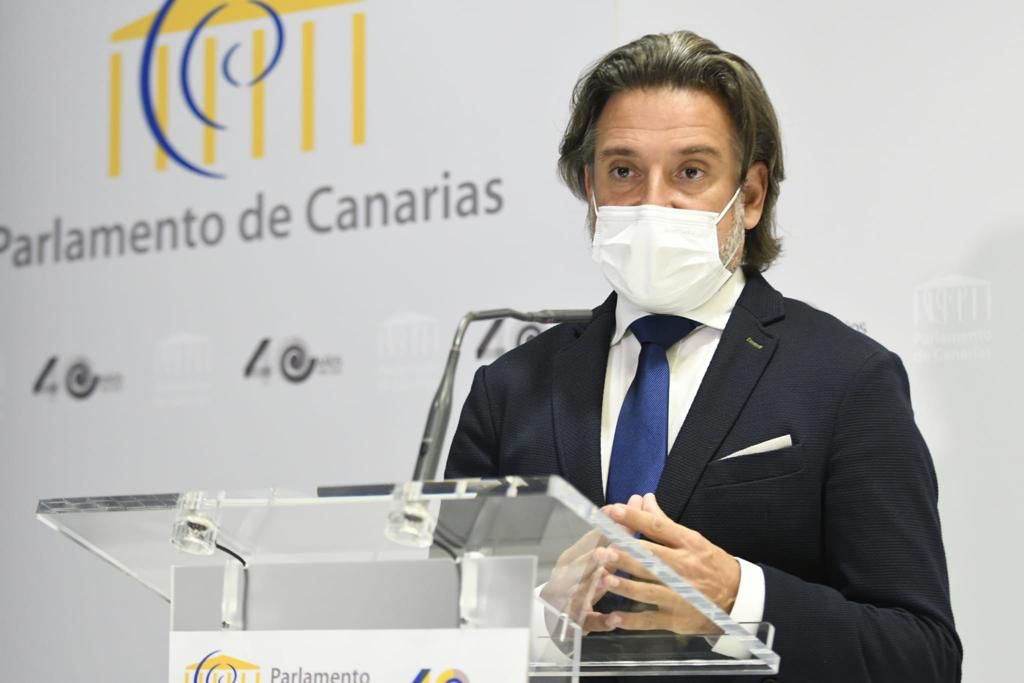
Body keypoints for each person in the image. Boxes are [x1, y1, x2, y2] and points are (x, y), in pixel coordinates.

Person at [444, 30, 961, 682]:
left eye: (690, 171)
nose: (653, 201)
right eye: (623, 171)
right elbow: (435, 630)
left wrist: (738, 599)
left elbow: (921, 655)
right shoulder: (509, 390)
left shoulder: (847, 380)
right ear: (590, 189)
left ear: (751, 195)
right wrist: (538, 620)